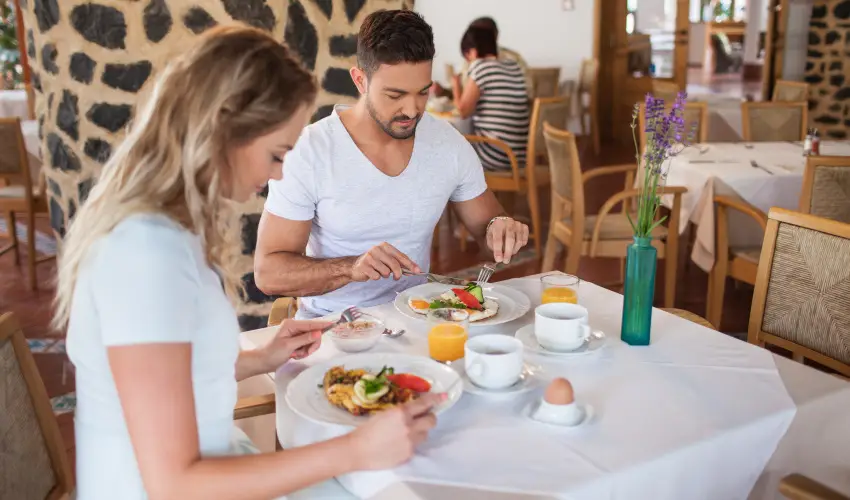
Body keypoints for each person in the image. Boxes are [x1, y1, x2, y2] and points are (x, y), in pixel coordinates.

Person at [55, 26, 443, 500]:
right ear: (225, 131)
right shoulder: (145, 254)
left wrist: (260, 359)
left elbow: (172, 371)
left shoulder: (166, 230)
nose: (278, 173)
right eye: (277, 154)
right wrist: (356, 450)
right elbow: (173, 484)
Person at [254, 10, 529, 320]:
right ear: (360, 81)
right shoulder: (309, 151)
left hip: (420, 321)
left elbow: (488, 229)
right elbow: (268, 273)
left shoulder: (448, 144)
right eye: (395, 95)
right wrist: (351, 268)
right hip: (333, 327)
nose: (411, 110)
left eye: (422, 92)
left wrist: (501, 230)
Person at [452, 26, 530, 171]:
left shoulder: (480, 67)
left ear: (473, 51)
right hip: (519, 156)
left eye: (467, 56)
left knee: (446, 139)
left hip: (495, 156)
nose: (468, 62)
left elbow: (462, 111)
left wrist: (455, 85)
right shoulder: (513, 66)